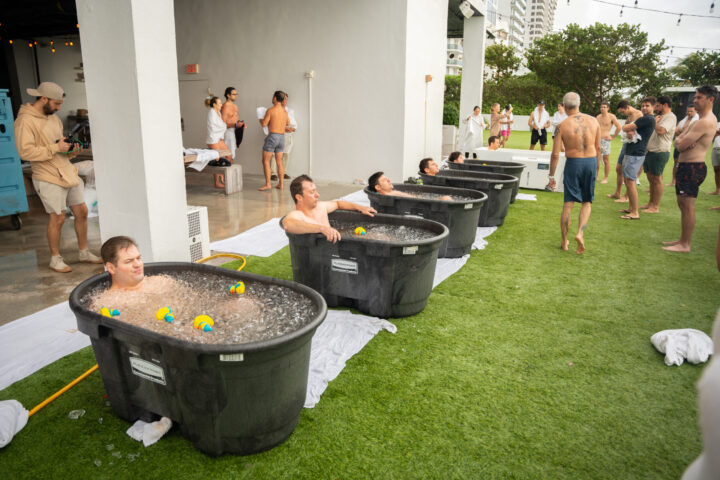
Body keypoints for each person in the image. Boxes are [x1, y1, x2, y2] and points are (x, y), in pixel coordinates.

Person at [14, 81, 102, 273]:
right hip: (47, 175)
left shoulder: (54, 119)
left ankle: (84, 252)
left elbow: (59, 148)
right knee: (58, 217)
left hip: (66, 172)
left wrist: (71, 150)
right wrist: (56, 147)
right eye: (56, 104)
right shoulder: (24, 121)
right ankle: (55, 259)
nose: (59, 108)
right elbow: (24, 152)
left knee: (82, 211)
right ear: (44, 99)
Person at [663, 85, 718, 252]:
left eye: (699, 97)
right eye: (695, 97)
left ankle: (685, 244)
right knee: (683, 205)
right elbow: (679, 140)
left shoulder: (704, 122)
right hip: (687, 166)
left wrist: (681, 140)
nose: (695, 100)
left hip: (692, 167)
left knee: (687, 206)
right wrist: (681, 140)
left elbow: (680, 145)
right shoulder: (699, 120)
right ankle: (682, 239)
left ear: (710, 99)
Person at [548, 92, 601, 254]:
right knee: (587, 202)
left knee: (568, 204)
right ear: (579, 104)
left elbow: (555, 154)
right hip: (590, 162)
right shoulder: (594, 121)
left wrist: (551, 176)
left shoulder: (562, 126)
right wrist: (597, 168)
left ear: (564, 106)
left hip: (573, 163)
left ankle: (564, 242)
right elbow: (598, 147)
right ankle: (580, 233)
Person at [282, 175, 376, 243]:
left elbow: (338, 204)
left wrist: (360, 207)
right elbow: (288, 224)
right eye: (312, 192)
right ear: (299, 197)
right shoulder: (298, 214)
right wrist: (322, 228)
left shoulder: (321, 207)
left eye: (316, 191)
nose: (317, 195)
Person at [618, 97, 656, 219]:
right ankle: (631, 208)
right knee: (628, 180)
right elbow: (628, 129)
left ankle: (635, 212)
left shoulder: (647, 119)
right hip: (632, 151)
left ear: (653, 107)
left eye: (647, 105)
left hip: (636, 153)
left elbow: (624, 128)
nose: (644, 108)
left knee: (630, 181)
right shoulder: (645, 118)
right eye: (643, 105)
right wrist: (630, 128)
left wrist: (629, 127)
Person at [641, 96, 676, 214]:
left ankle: (655, 207)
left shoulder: (670, 117)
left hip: (660, 151)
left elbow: (661, 131)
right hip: (650, 151)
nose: (656, 107)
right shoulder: (660, 116)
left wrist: (654, 122)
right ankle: (650, 203)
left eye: (657, 105)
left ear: (665, 105)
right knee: (651, 180)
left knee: (657, 179)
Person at [607, 99, 643, 202]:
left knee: (629, 173)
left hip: (634, 146)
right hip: (626, 144)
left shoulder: (639, 115)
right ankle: (617, 193)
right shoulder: (630, 116)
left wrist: (627, 129)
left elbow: (634, 131)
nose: (623, 114)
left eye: (623, 112)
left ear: (627, 107)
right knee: (619, 169)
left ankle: (626, 197)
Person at [259, 91, 290, 191]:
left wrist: (260, 119)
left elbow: (264, 123)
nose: (272, 98)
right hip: (282, 137)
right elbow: (288, 123)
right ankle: (281, 184)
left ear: (275, 98)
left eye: (273, 97)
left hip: (273, 136)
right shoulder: (285, 112)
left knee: (265, 161)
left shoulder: (271, 110)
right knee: (279, 161)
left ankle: (268, 184)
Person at [668, 106, 698, 187]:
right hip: (678, 144)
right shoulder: (683, 120)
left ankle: (684, 182)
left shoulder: (697, 121)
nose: (689, 113)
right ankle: (673, 181)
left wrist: (683, 131)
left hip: (688, 145)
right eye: (688, 111)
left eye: (691, 111)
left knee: (686, 164)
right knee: (676, 162)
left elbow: (690, 133)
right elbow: (675, 131)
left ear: (696, 111)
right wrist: (684, 131)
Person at [272, 93, 297, 181]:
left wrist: (292, 129)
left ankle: (283, 172)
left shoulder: (290, 111)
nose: (285, 100)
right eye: (283, 98)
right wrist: (285, 128)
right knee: (275, 154)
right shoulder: (274, 110)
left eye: (286, 99)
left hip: (288, 136)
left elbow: (294, 124)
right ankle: (273, 173)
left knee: (286, 154)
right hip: (277, 135)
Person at [596, 101, 622, 184]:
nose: (602, 108)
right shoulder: (598, 117)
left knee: (606, 160)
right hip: (597, 140)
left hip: (605, 140)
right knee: (596, 159)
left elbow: (619, 127)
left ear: (608, 108)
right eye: (601, 107)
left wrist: (613, 137)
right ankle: (595, 176)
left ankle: (605, 178)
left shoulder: (611, 116)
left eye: (604, 107)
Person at [220, 87, 247, 161]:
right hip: (227, 132)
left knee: (232, 154)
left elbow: (235, 120)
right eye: (234, 94)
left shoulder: (235, 106)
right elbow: (222, 124)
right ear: (228, 95)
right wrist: (234, 125)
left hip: (234, 132)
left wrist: (241, 124)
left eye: (236, 94)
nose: (235, 96)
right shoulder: (225, 106)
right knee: (229, 155)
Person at [710, 118, 720, 195]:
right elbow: (711, 134)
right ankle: (718, 190)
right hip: (715, 148)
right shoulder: (718, 123)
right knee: (716, 170)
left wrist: (715, 131)